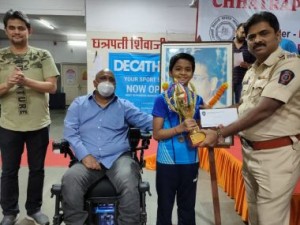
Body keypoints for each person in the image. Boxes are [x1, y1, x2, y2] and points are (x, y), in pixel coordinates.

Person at [199, 11, 300, 225]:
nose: (257, 40)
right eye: (251, 37)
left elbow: (265, 108)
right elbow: (244, 107)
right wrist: (209, 114)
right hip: (250, 153)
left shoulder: (289, 65)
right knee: (255, 217)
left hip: (276, 156)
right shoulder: (253, 70)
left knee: (270, 220)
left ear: (278, 35)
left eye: (264, 33)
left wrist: (219, 132)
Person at [61, 68, 153, 225]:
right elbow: (70, 132)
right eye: (103, 78)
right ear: (95, 83)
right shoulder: (79, 104)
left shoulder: (124, 106)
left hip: (118, 159)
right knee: (70, 179)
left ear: (115, 85)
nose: (107, 82)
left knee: (129, 180)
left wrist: (174, 120)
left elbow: (149, 122)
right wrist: (84, 155)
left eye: (111, 79)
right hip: (87, 159)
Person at [0, 9, 59, 225]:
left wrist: (25, 82)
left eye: (21, 28)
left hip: (38, 124)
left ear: (29, 31)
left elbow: (52, 87)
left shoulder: (43, 55)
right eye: (12, 28)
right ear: (6, 30)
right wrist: (8, 84)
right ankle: (9, 212)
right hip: (9, 124)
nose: (17, 31)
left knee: (37, 170)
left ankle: (34, 209)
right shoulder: (0, 57)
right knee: (8, 171)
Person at [152, 53, 208, 225]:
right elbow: (157, 134)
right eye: (178, 69)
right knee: (165, 207)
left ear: (192, 73)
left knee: (187, 208)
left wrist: (208, 120)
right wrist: (179, 128)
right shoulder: (162, 100)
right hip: (167, 161)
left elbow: (200, 131)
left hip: (190, 160)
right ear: (170, 72)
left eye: (188, 69)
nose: (183, 73)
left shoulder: (198, 100)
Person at [233, 23, 256, 104]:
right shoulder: (228, 45)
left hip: (243, 82)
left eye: (245, 33)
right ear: (235, 32)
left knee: (240, 105)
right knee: (227, 106)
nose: (244, 35)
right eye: (242, 32)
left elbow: (256, 64)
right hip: (227, 81)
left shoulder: (250, 46)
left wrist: (248, 65)